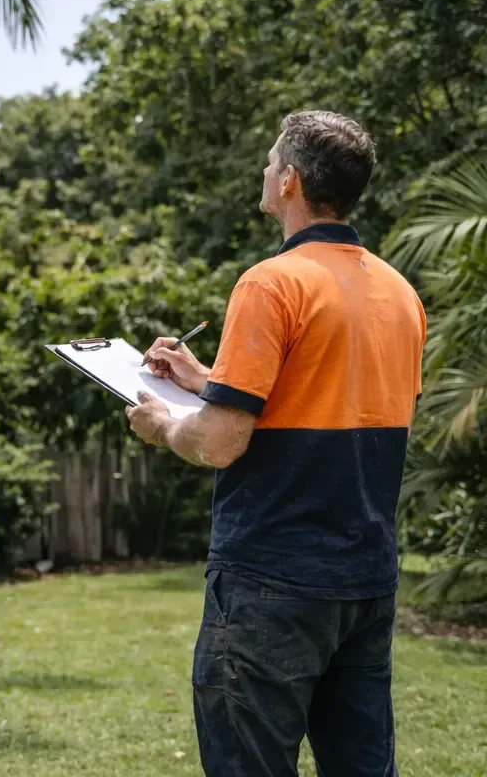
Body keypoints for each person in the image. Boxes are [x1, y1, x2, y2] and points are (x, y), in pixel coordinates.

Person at [126, 110, 425, 777]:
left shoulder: (272, 282)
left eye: (269, 162)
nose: (264, 172)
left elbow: (221, 445)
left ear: (289, 181)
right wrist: (207, 379)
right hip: (365, 580)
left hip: (273, 579)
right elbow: (327, 397)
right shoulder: (399, 293)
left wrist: (163, 425)